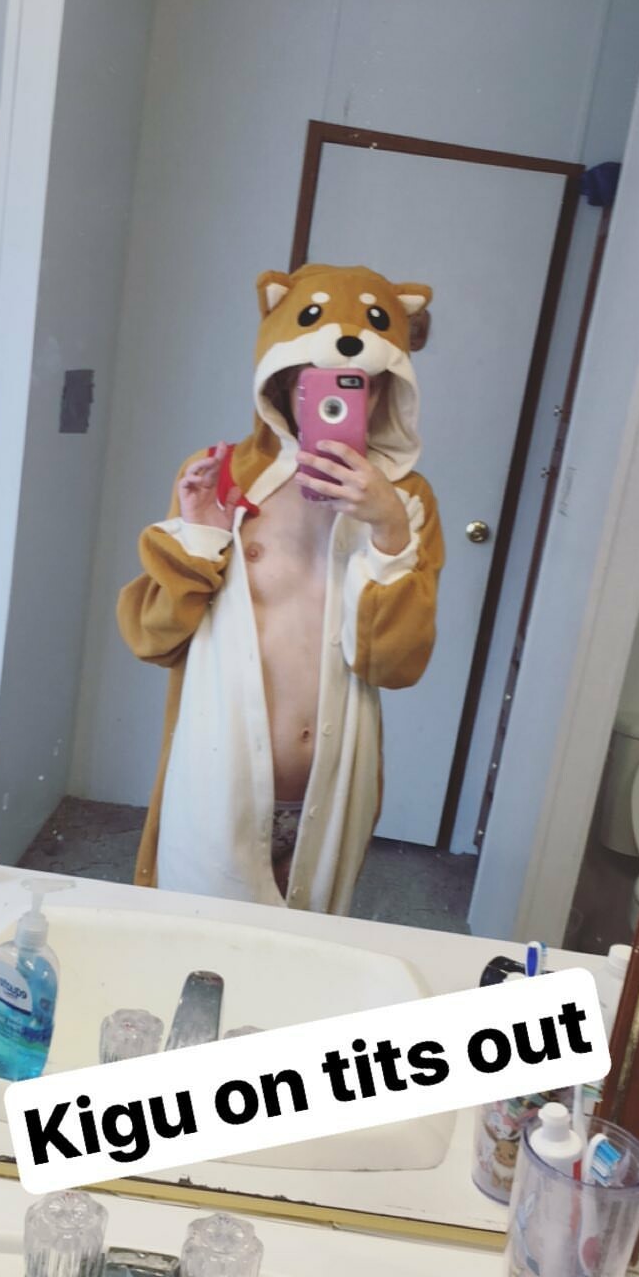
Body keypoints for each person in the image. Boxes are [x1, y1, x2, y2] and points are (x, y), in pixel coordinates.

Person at [117, 262, 444, 914]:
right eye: (311, 380)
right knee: (196, 943)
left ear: (385, 390)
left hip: (333, 789)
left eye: (356, 384)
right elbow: (154, 640)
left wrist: (386, 531)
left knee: (306, 953)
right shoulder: (224, 477)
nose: (330, 402)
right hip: (218, 784)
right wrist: (202, 537)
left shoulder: (404, 501)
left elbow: (394, 666)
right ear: (282, 379)